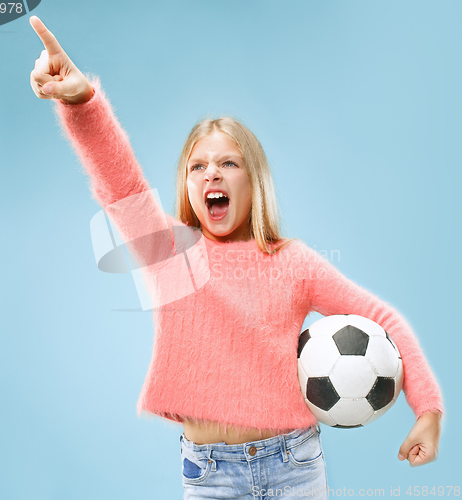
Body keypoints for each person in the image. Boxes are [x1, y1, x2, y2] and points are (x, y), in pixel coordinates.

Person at [29, 15, 443, 499]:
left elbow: (381, 318)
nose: (212, 176)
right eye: (198, 166)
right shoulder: (171, 252)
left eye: (229, 163)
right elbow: (120, 182)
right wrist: (82, 102)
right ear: (187, 184)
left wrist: (428, 410)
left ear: (254, 180)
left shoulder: (293, 262)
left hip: (295, 464)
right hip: (210, 473)